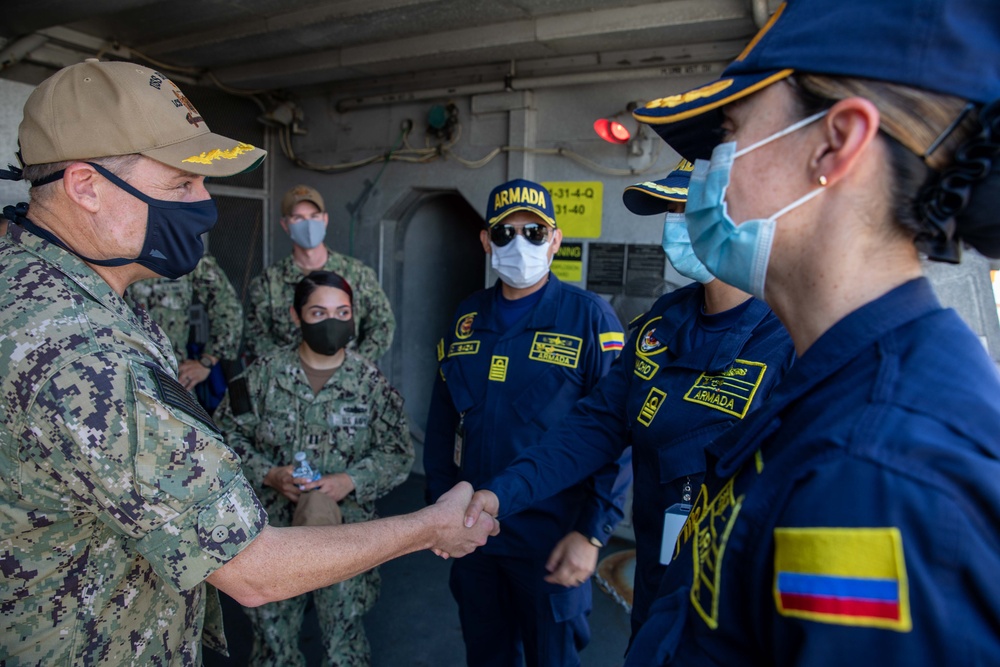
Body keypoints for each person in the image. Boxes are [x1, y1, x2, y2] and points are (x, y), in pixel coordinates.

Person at [540, 0, 998, 664]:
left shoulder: (880, 472)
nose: (709, 173)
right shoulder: (831, 388)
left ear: (835, 143)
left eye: (729, 130)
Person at [0, 59, 495, 666]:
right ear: (85, 186)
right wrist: (429, 527)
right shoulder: (82, 353)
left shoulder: (39, 286)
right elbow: (254, 570)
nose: (206, 204)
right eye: (182, 185)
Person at [463, 160, 795, 641]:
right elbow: (592, 430)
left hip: (743, 611)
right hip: (660, 589)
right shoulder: (657, 329)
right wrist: (496, 495)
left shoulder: (793, 339)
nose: (677, 226)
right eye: (670, 211)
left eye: (690, 209)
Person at [423, 178, 633, 667]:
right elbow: (443, 418)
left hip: (550, 538)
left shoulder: (590, 319)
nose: (520, 243)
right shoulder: (468, 317)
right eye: (505, 233)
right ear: (486, 242)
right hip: (473, 533)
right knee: (487, 654)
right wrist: (438, 502)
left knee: (551, 658)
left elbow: (615, 435)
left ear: (556, 240)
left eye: (535, 233)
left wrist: (592, 532)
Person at [215, 270, 414, 666]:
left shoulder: (370, 382)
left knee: (345, 636)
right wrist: (269, 474)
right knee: (273, 638)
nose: (332, 322)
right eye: (319, 312)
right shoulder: (260, 377)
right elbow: (223, 441)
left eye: (343, 312)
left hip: (347, 532)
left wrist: (350, 480)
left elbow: (398, 453)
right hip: (272, 532)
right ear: (296, 316)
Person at [244, 184, 395, 362]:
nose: (308, 225)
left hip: (347, 383)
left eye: (314, 217)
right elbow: (255, 334)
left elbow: (383, 324)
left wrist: (354, 366)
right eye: (298, 218)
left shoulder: (357, 273)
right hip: (290, 383)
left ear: (325, 220)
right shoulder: (268, 282)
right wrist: (289, 370)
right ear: (285, 224)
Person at [126, 253, 243, 410]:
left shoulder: (181, 247)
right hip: (118, 381)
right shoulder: (109, 245)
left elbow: (228, 306)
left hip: (173, 385)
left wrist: (208, 361)